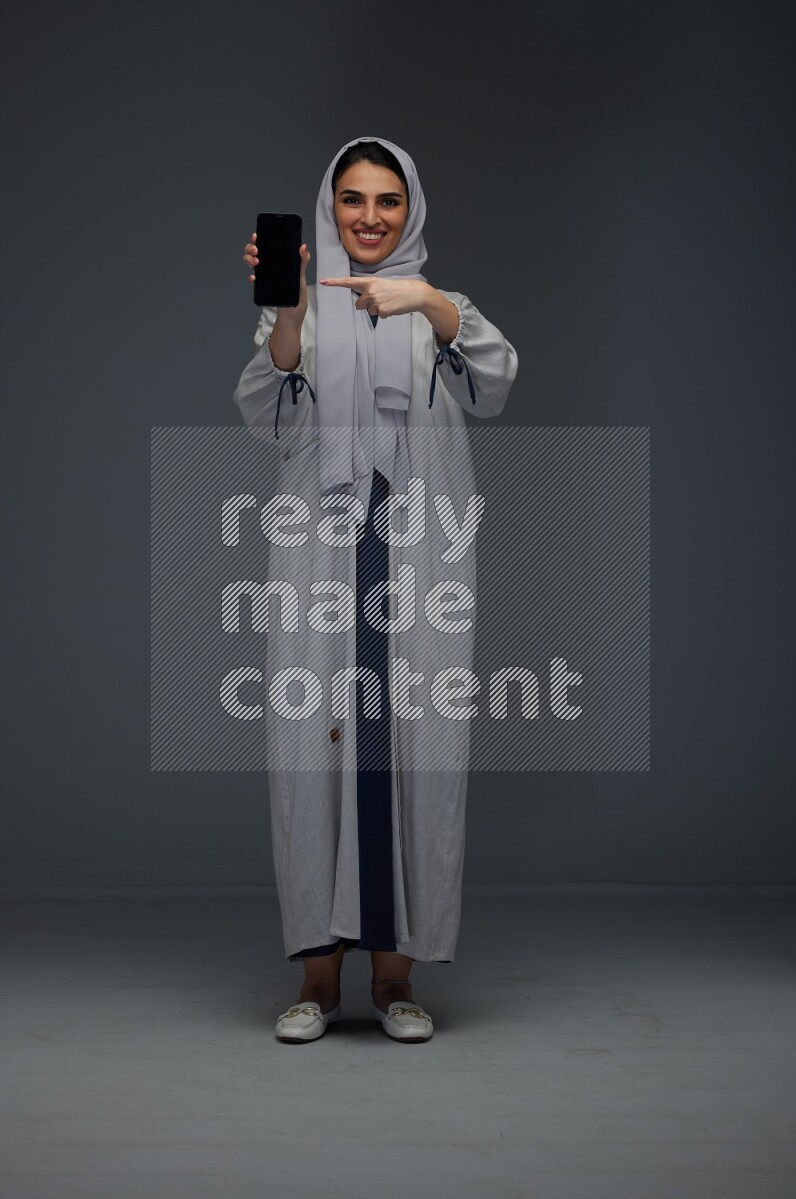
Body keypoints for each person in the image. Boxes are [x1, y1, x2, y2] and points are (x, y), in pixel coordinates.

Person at [234, 136, 518, 1042]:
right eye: (351, 199)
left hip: (417, 558)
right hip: (321, 554)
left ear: (411, 211)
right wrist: (286, 308)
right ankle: (317, 982)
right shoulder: (308, 316)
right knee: (311, 749)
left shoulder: (442, 309)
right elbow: (266, 409)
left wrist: (427, 303)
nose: (367, 217)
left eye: (387, 201)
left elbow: (496, 385)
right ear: (331, 207)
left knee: (414, 745)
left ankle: (397, 982)